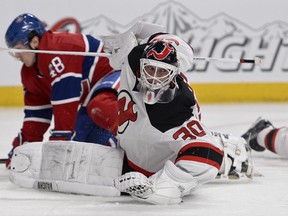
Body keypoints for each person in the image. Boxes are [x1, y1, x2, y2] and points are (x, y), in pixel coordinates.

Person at [113, 32, 253, 205]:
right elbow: (177, 46)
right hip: (133, 150)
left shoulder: (176, 108)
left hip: (160, 163)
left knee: (215, 154)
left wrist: (165, 186)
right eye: (150, 69)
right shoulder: (134, 58)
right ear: (141, 66)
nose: (154, 77)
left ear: (173, 74)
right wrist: (140, 36)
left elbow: (210, 153)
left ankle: (234, 153)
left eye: (162, 71)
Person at [4, 13, 120, 169]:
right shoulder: (29, 73)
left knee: (100, 107)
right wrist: (23, 147)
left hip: (118, 77)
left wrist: (59, 142)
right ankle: (115, 149)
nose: (17, 56)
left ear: (34, 41)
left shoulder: (57, 49)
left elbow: (66, 100)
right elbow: (36, 115)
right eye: (14, 51)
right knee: (82, 148)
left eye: (19, 49)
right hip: (92, 97)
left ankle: (135, 146)